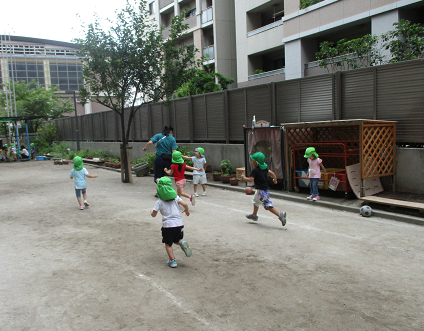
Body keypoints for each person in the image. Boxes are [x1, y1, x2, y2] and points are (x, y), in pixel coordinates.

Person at [150, 177, 192, 268]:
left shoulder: (159, 202)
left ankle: (172, 261)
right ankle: (181, 242)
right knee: (176, 239)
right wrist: (187, 210)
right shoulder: (176, 198)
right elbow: (184, 203)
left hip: (168, 226)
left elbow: (153, 215)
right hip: (179, 224)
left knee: (168, 243)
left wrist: (151, 211)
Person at [241, 152, 287, 226]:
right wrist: (275, 179)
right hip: (263, 190)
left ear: (257, 162)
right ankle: (254, 215)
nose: (252, 162)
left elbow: (250, 180)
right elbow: (272, 173)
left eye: (253, 161)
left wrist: (244, 178)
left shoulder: (255, 170)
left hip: (261, 191)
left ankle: (280, 215)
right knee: (255, 201)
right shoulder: (265, 168)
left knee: (268, 206)